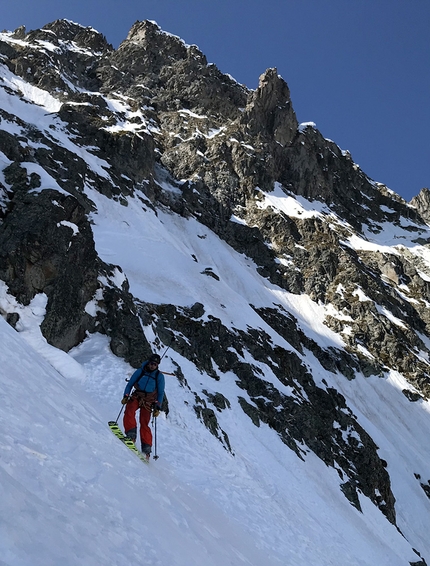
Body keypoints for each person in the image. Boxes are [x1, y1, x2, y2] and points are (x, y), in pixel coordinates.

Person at [121, 353, 165, 459]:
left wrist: (158, 406)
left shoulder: (159, 376)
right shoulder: (140, 371)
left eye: (155, 364)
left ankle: (146, 450)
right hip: (137, 396)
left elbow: (160, 393)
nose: (152, 365)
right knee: (129, 411)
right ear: (148, 362)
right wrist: (126, 395)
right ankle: (131, 436)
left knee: (144, 423)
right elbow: (130, 384)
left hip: (149, 401)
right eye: (151, 363)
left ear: (157, 365)